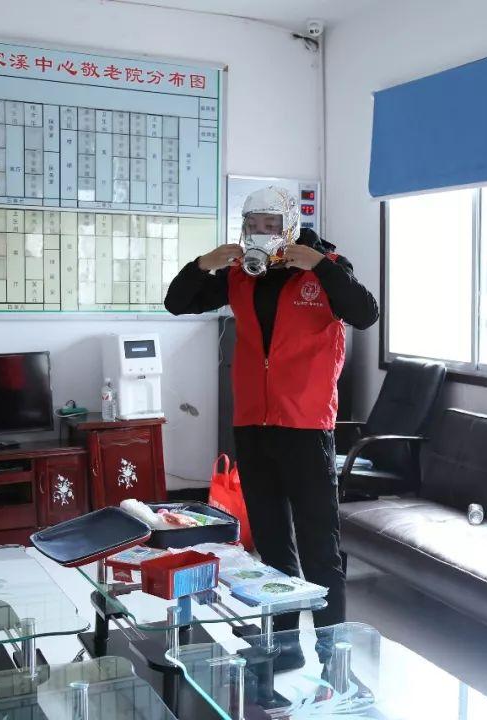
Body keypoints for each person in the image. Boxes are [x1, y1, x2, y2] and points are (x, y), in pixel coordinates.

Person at [164, 186, 378, 659]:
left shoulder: (327, 267)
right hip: (253, 426)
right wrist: (203, 264)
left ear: (291, 225)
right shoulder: (241, 272)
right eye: (253, 224)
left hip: (306, 427)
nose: (261, 233)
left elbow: (366, 314)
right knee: (273, 548)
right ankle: (284, 645)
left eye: (271, 224)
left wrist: (320, 265)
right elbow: (177, 303)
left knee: (321, 551)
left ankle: (332, 657)